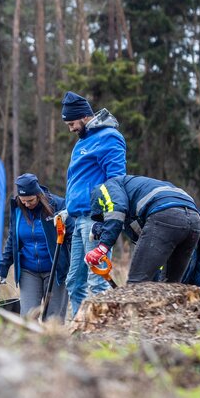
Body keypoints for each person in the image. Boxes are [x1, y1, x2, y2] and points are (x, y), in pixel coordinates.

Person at [61, 91, 127, 314]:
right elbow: (79, 181)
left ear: (84, 116)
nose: (71, 129)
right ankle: (81, 327)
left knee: (97, 280)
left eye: (72, 123)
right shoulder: (82, 142)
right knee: (74, 282)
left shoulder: (109, 137)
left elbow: (116, 180)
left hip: (95, 219)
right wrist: (67, 210)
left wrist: (107, 218)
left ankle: (103, 328)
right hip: (78, 219)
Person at [87, 174, 200, 285]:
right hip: (194, 220)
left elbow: (116, 211)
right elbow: (147, 245)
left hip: (166, 214)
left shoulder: (104, 188)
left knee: (137, 284)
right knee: (170, 287)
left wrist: (102, 248)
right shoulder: (136, 196)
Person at [0, 173, 72, 321]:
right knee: (28, 318)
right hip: (28, 271)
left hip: (55, 270)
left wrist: (74, 265)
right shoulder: (17, 210)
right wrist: (2, 269)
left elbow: (72, 236)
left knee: (53, 320)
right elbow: (12, 240)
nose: (26, 204)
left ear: (38, 195)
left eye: (30, 200)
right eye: (23, 201)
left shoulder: (58, 205)